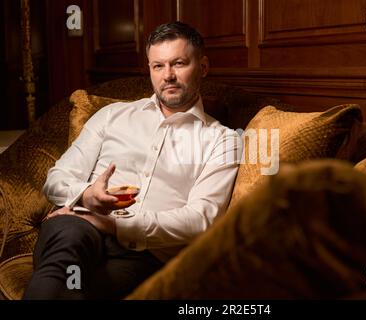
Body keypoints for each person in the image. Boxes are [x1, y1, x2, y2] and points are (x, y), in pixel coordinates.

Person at [23, 21, 241, 300]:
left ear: (203, 67)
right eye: (158, 66)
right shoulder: (112, 115)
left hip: (148, 253)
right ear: (149, 69)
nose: (168, 76)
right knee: (66, 244)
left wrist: (115, 225)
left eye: (179, 63)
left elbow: (200, 220)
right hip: (80, 229)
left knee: (76, 286)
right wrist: (87, 195)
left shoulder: (222, 140)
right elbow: (56, 179)